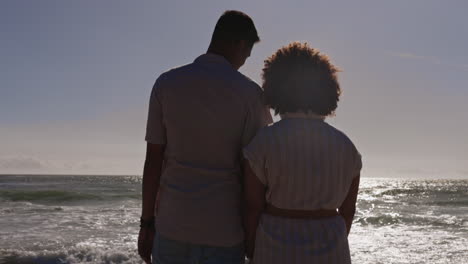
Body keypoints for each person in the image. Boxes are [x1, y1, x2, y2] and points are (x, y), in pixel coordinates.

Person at [138, 10, 272, 264]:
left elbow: (153, 161)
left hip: (171, 227)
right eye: (247, 53)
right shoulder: (251, 95)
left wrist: (146, 225)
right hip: (224, 232)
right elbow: (253, 172)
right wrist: (253, 237)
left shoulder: (166, 84)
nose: (245, 60)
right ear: (239, 44)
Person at [243, 42, 362, 264]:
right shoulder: (347, 147)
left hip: (274, 247)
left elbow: (252, 207)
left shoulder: (263, 143)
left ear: (275, 87)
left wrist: (251, 249)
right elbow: (348, 211)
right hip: (331, 248)